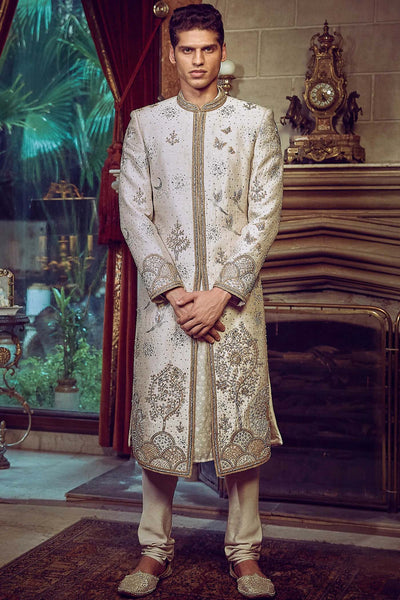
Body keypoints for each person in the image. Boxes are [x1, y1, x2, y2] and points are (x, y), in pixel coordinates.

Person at [117, 4, 283, 598]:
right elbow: (133, 211)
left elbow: (265, 215)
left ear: (222, 51)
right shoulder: (144, 124)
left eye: (207, 49)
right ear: (172, 54)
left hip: (234, 303)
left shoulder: (256, 123)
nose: (197, 60)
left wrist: (222, 293)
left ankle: (245, 553)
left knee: (239, 423)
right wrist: (175, 292)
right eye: (186, 49)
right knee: (161, 420)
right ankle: (153, 549)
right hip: (167, 305)